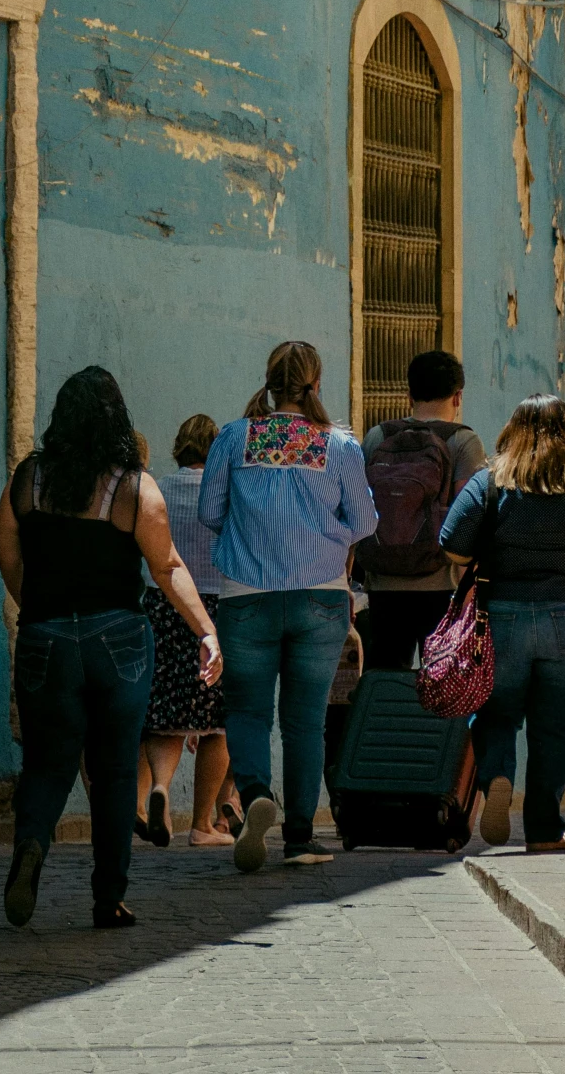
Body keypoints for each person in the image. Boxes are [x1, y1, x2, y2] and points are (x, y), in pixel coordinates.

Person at [0, 366, 221, 931]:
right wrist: (205, 630)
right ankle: (108, 897)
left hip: (44, 636)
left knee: (46, 763)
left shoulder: (27, 481)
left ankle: (31, 846)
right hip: (119, 638)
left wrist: (40, 608)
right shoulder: (134, 488)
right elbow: (166, 568)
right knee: (117, 768)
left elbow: (8, 557)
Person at [199, 339, 379, 873]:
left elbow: (211, 512)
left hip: (246, 598)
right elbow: (367, 521)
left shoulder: (235, 437)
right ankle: (300, 838)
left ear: (269, 382)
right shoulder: (338, 445)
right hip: (321, 596)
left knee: (248, 710)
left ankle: (255, 792)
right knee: (305, 722)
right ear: (316, 384)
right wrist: (330, 533)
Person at [439, 393, 565, 853]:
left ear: (513, 432)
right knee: (557, 725)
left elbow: (453, 547)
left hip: (504, 615)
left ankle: (498, 775)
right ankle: (543, 829)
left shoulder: (490, 485)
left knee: (497, 710)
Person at [135, 413, 238, 849]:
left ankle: (152, 793)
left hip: (161, 606)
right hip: (214, 609)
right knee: (216, 724)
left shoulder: (155, 488)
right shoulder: (225, 495)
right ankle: (203, 823)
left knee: (162, 716)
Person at [358, 349, 489, 670]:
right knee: (440, 680)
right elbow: (469, 516)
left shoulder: (378, 436)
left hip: (383, 582)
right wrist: (470, 588)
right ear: (457, 397)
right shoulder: (464, 441)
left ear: (409, 395)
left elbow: (359, 506)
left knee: (386, 676)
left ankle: (389, 722)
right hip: (439, 583)